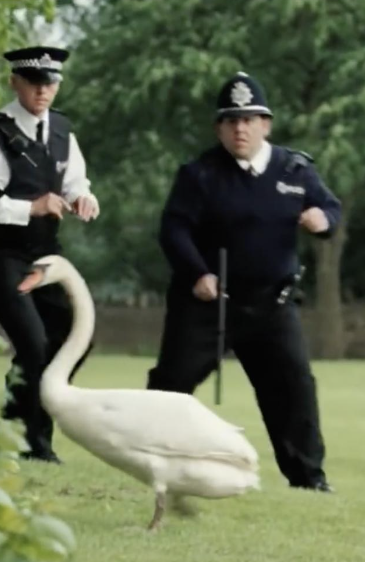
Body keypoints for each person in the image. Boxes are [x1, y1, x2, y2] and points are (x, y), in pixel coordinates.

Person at [147, 71, 341, 492]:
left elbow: (330, 208)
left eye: (249, 119)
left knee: (294, 389)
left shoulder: (295, 169)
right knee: (171, 385)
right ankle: (150, 465)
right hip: (207, 303)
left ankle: (309, 480)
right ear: (219, 127)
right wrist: (198, 272)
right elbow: (173, 230)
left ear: (265, 124)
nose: (240, 128)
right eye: (231, 120)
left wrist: (322, 220)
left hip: (273, 305)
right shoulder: (199, 174)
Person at [0, 45, 99, 463]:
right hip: (0, 255)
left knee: (73, 337)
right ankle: (35, 445)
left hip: (45, 254)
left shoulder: (62, 131)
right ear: (15, 81)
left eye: (50, 82)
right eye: (34, 82)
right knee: (34, 345)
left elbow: (75, 181)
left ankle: (11, 421)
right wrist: (29, 208)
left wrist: (84, 197)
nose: (43, 91)